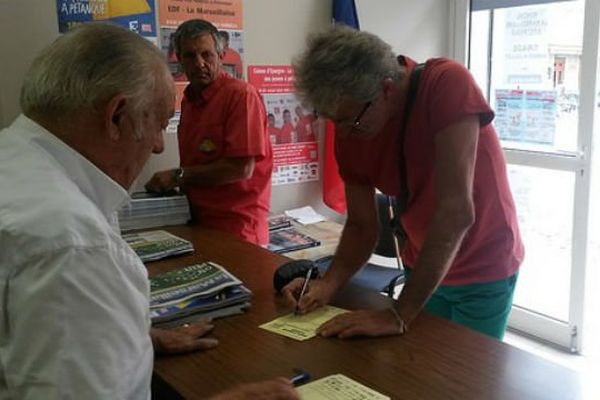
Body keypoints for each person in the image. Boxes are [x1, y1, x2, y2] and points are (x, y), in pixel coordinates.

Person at [0, 23, 297, 399]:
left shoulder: (12, 158)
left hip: (237, 221)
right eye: (157, 125)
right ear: (116, 116)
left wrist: (130, 338)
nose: (158, 146)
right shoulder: (76, 248)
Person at [283, 26, 524, 340]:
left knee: (465, 382)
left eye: (348, 120)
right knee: (420, 370)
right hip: (422, 264)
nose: (341, 134)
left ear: (385, 89)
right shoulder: (353, 123)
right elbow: (361, 225)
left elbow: (456, 213)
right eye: (332, 120)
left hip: (483, 265)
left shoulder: (447, 84)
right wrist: (328, 283)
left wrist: (398, 314)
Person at [146, 19, 273, 246]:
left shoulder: (241, 96)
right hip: (197, 222)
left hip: (238, 229)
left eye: (207, 54)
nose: (199, 63)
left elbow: (242, 168)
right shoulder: (188, 100)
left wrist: (177, 176)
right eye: (190, 56)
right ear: (179, 60)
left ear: (221, 55)